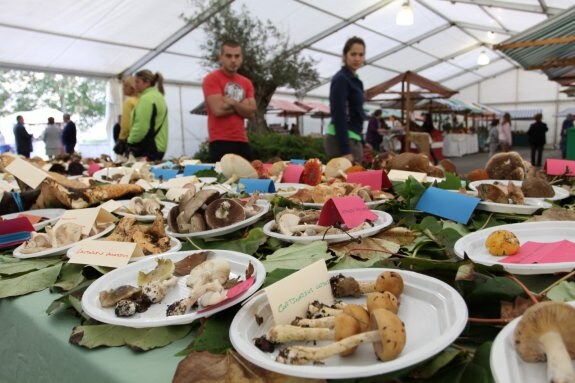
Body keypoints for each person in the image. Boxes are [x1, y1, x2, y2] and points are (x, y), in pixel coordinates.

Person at [202, 40, 256, 162]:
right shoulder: (211, 79)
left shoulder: (246, 82)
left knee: (250, 178)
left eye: (237, 56)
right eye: (228, 56)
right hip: (219, 140)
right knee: (222, 180)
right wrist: (243, 106)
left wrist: (233, 103)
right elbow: (218, 110)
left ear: (241, 58)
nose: (233, 60)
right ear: (221, 57)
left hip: (242, 140)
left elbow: (252, 112)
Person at [325, 36, 366, 162]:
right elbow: (339, 114)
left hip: (353, 137)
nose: (357, 58)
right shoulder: (341, 79)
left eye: (361, 54)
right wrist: (345, 150)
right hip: (342, 140)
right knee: (347, 180)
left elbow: (356, 113)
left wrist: (362, 140)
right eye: (353, 54)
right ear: (344, 56)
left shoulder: (355, 80)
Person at [127, 69, 168, 161]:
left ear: (146, 82)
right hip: (159, 146)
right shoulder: (159, 97)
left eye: (137, 82)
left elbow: (141, 126)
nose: (135, 85)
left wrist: (130, 141)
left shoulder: (146, 99)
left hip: (148, 148)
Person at [114, 77, 140, 155]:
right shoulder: (142, 101)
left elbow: (125, 125)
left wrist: (121, 139)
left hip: (130, 139)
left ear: (133, 87)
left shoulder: (129, 102)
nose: (123, 88)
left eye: (125, 86)